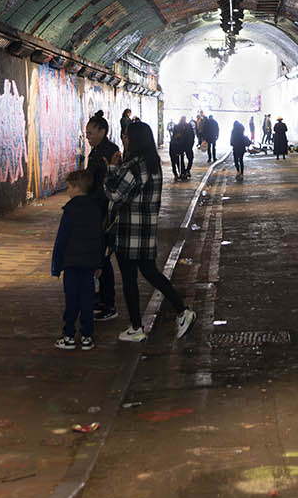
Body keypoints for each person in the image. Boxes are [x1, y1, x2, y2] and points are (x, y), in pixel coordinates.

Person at [104, 121, 195, 342]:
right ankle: (182, 310)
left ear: (134, 139)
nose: (123, 138)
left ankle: (137, 327)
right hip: (145, 231)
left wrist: (111, 171)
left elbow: (115, 194)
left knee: (129, 280)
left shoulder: (134, 165)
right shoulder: (152, 163)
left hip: (130, 231)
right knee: (151, 273)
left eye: (126, 135)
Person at [51, 168, 103, 350]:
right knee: (88, 301)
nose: (67, 191)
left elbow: (61, 240)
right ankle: (87, 336)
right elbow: (99, 238)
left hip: (71, 264)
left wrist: (56, 267)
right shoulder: (95, 210)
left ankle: (69, 336)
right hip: (89, 264)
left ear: (76, 188)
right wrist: (99, 263)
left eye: (68, 187)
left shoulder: (69, 211)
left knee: (71, 300)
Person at [83, 113, 121, 320]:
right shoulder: (98, 150)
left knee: (103, 258)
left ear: (102, 131)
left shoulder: (109, 152)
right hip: (97, 209)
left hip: (104, 211)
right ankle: (101, 299)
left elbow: (106, 184)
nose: (87, 136)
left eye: (90, 133)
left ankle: (108, 303)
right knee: (98, 257)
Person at [168, 116, 197, 181]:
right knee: (181, 160)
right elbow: (175, 136)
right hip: (181, 145)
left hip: (186, 145)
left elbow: (192, 135)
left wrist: (192, 143)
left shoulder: (187, 126)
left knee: (188, 158)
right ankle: (182, 172)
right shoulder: (178, 126)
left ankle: (185, 171)